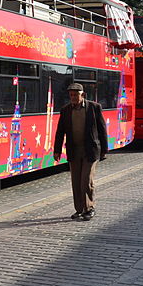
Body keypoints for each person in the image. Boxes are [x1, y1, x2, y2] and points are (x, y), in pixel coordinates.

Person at [53, 83, 109, 222]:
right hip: (74, 150)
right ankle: (79, 209)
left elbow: (102, 130)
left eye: (75, 95)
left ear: (82, 95)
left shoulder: (94, 108)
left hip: (90, 150)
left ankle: (89, 208)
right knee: (76, 181)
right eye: (71, 95)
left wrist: (104, 150)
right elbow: (60, 131)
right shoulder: (65, 110)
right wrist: (57, 150)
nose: (73, 97)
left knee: (86, 180)